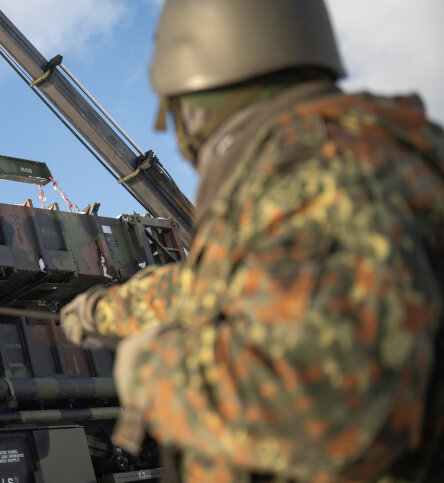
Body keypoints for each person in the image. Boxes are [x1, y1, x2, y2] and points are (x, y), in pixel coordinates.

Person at [61, 0, 444, 480]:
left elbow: (322, 398)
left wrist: (153, 371)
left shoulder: (312, 172)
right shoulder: (370, 154)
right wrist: (100, 312)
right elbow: (217, 284)